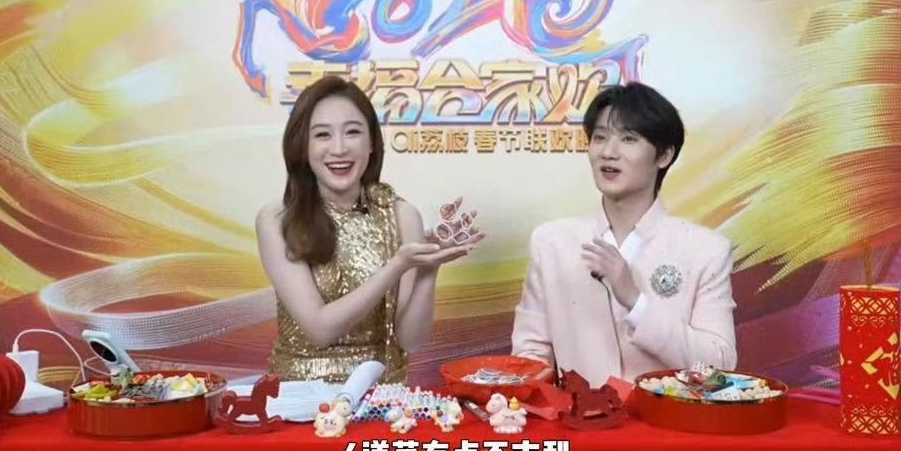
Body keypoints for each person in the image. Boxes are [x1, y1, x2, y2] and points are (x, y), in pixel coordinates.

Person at [257, 77, 482, 383]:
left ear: (372, 143)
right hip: (302, 397)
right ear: (303, 146)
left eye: (352, 132)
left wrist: (428, 270)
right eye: (322, 135)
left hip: (383, 397)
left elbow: (410, 340)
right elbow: (320, 329)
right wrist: (397, 266)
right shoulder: (278, 220)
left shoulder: (402, 215)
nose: (339, 148)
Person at [512, 82, 736, 389]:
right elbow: (530, 355)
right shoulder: (552, 242)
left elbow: (718, 368)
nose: (608, 152)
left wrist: (636, 301)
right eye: (600, 137)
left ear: (664, 155)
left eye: (629, 138)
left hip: (667, 417)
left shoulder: (705, 250)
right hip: (578, 416)